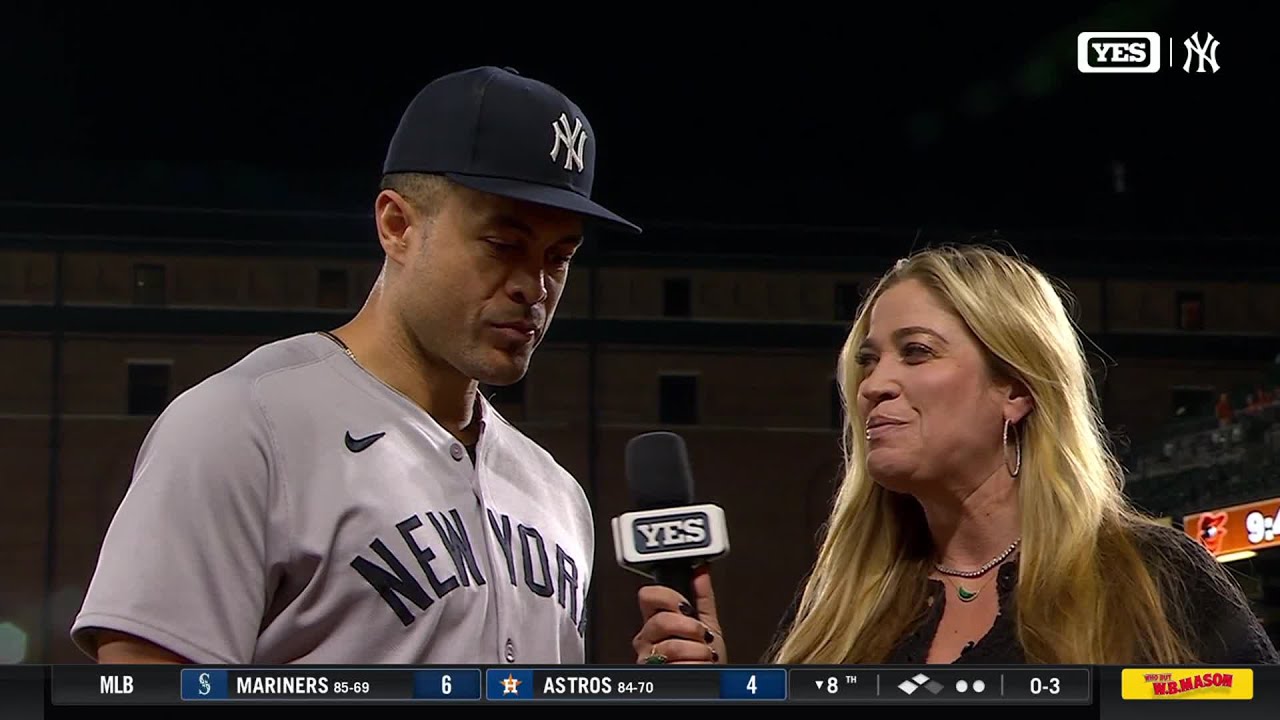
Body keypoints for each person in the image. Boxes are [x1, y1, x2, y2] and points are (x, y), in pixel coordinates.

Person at [71, 65, 641, 665]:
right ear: (397, 226)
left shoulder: (556, 494)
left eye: (559, 257)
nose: (534, 285)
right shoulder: (243, 425)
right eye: (503, 245)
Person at [632, 244, 1278, 665]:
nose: (874, 384)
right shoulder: (839, 609)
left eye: (916, 352)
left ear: (1017, 389)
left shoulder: (1149, 578)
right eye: (868, 359)